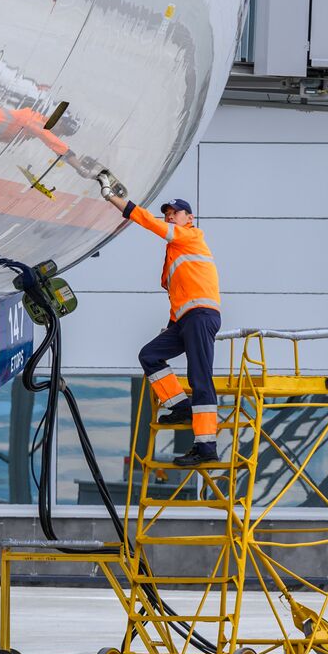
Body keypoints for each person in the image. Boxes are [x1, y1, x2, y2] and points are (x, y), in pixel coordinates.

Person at [99, 174, 221, 467]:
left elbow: (149, 224)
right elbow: (177, 294)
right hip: (184, 319)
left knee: (200, 378)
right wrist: (171, 325)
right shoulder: (174, 254)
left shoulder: (191, 235)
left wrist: (116, 200)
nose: (168, 218)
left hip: (201, 316)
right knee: (150, 355)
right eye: (166, 214)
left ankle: (206, 448)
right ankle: (181, 407)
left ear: (189, 217)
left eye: (174, 214)